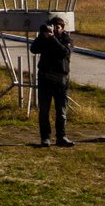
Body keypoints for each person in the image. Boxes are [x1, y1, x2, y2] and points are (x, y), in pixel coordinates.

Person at [29, 15, 74, 147]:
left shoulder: (66, 39)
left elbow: (64, 52)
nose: (54, 30)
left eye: (57, 27)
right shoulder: (44, 38)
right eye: (52, 27)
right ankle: (45, 137)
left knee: (61, 111)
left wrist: (53, 38)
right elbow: (33, 49)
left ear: (62, 28)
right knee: (44, 111)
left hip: (61, 81)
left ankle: (61, 137)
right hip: (45, 80)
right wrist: (43, 36)